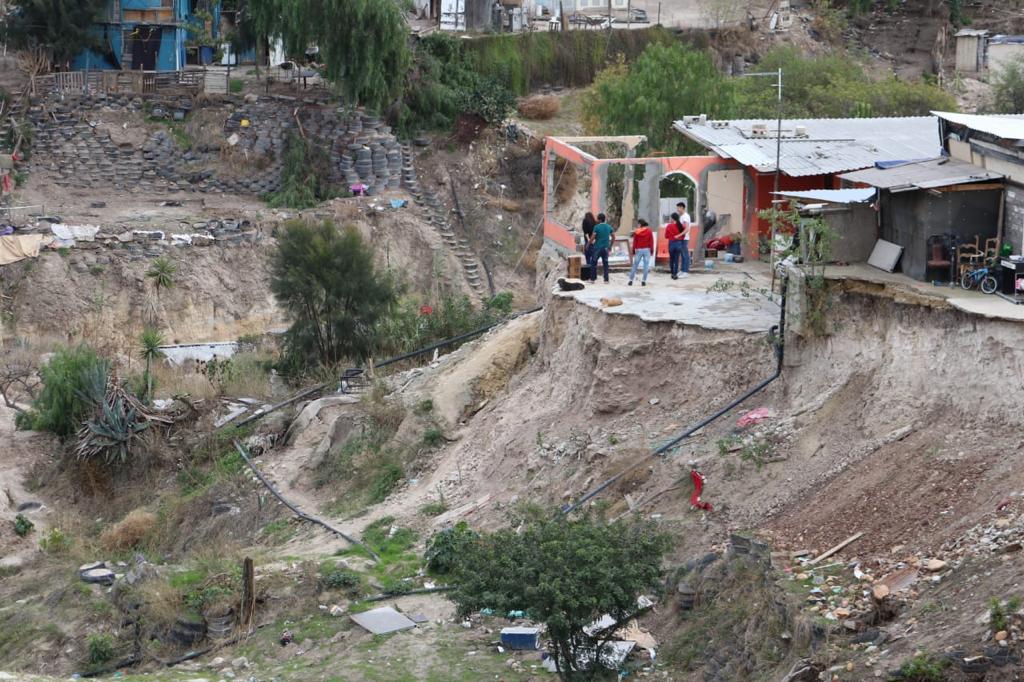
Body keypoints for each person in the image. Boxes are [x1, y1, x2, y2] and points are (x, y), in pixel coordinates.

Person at [589, 213, 615, 283]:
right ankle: (606, 280)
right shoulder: (609, 227)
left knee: (593, 263)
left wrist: (588, 244)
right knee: (605, 263)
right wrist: (610, 245)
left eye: (597, 219)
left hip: (597, 247)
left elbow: (593, 237)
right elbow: (613, 237)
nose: (596, 220)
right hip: (606, 248)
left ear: (600, 220)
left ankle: (592, 279)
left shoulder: (596, 227)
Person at [627, 219, 653, 287]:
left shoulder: (637, 232)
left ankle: (630, 280)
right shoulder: (649, 231)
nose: (637, 225)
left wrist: (633, 251)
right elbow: (651, 242)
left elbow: (635, 242)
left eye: (638, 224)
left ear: (640, 224)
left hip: (638, 250)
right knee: (646, 266)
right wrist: (652, 250)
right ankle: (643, 281)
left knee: (635, 265)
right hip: (647, 250)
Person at [665, 212, 686, 279]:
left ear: (672, 218)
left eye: (670, 218)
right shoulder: (681, 226)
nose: (670, 219)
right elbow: (683, 235)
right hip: (679, 244)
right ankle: (675, 274)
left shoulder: (669, 226)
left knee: (671, 259)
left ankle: (672, 273)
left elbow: (666, 236)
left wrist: (671, 237)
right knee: (676, 259)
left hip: (671, 244)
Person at [676, 201, 692, 277]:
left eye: (678, 208)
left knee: (685, 255)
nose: (677, 210)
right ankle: (682, 270)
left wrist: (679, 235)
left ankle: (686, 272)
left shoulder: (685, 216)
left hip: (684, 238)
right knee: (682, 255)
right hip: (681, 238)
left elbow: (687, 229)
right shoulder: (681, 216)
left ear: (682, 208)